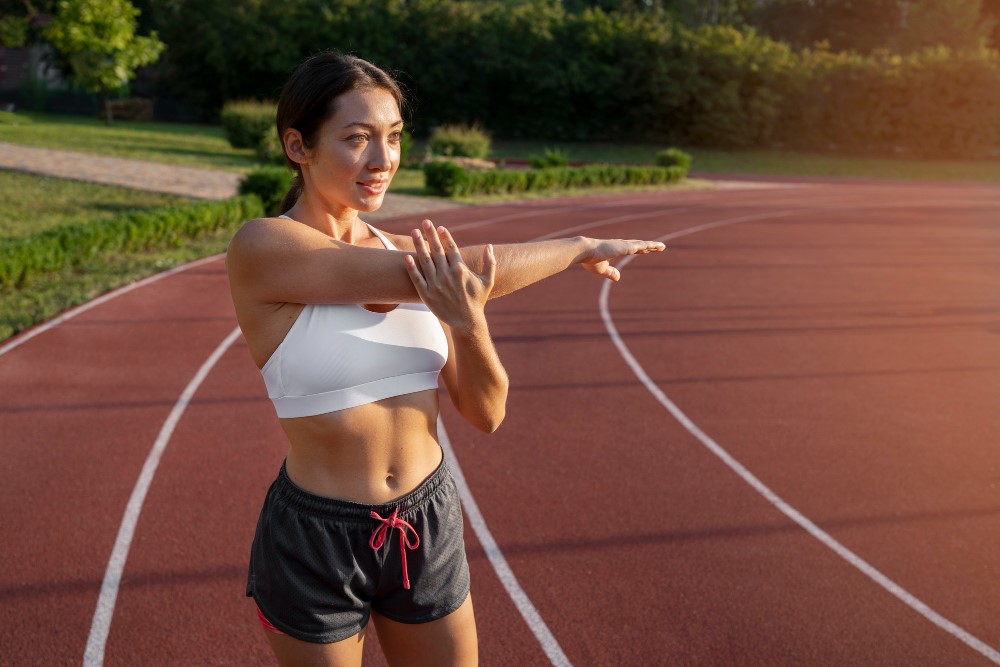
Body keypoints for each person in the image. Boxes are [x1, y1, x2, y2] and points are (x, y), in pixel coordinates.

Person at [225, 51, 666, 667]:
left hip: (426, 519)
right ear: (298, 145)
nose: (383, 161)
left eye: (394, 137)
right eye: (357, 139)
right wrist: (579, 246)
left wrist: (467, 320)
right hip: (316, 538)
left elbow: (486, 414)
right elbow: (453, 270)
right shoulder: (264, 247)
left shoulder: (416, 261)